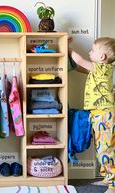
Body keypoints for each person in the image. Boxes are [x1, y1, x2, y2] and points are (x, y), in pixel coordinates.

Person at [69, 37, 115, 193]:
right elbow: (80, 67)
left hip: (104, 115)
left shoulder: (103, 68)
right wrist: (70, 64)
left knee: (106, 150)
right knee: (101, 149)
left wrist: (68, 47)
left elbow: (81, 61)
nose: (90, 52)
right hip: (98, 114)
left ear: (102, 57)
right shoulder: (98, 69)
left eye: (93, 50)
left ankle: (113, 184)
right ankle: (107, 179)